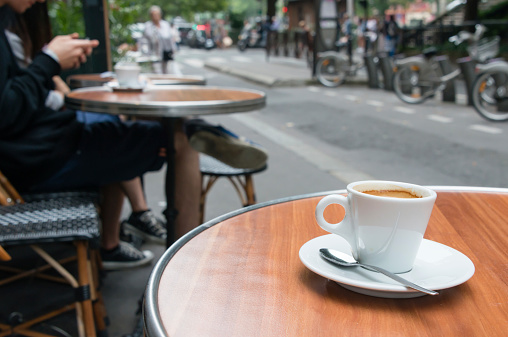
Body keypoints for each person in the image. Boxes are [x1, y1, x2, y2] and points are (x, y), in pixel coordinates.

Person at [0, 0, 202, 270]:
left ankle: (114, 242)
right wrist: (48, 61)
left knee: (116, 126)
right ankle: (183, 271)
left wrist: (51, 66)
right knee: (183, 139)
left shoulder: (7, 21)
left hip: (43, 147)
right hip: (37, 161)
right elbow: (6, 111)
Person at [142, 5, 176, 74]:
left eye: (157, 14)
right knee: (156, 72)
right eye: (153, 15)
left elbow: (170, 39)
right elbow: (144, 41)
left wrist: (173, 50)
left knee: (166, 72)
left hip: (165, 52)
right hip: (153, 53)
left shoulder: (165, 24)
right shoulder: (148, 26)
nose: (155, 16)